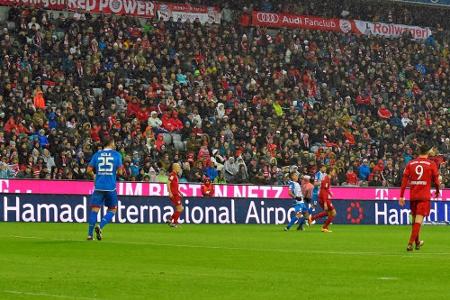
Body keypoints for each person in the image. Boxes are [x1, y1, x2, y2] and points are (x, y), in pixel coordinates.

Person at [399, 145, 440, 251]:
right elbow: (436, 180)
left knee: (414, 221)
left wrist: (401, 196)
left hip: (413, 195)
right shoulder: (431, 164)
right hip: (424, 196)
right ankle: (410, 243)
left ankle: (417, 242)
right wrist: (437, 190)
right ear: (427, 152)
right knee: (418, 221)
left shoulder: (411, 163)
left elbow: (404, 181)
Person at [86, 138, 123, 241]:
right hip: (111, 187)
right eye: (114, 142)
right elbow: (120, 172)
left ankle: (89, 235)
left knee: (94, 210)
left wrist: (94, 176)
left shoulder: (97, 154)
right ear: (111, 143)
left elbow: (88, 170)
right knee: (112, 209)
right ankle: (101, 226)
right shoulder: (116, 155)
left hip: (99, 186)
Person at [310, 167, 337, 233]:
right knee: (333, 213)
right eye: (333, 171)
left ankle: (312, 218)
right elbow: (323, 191)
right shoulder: (326, 179)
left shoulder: (328, 178)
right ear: (330, 172)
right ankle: (324, 227)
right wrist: (325, 202)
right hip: (324, 198)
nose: (334, 173)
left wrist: (330, 193)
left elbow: (326, 189)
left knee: (328, 213)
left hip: (324, 197)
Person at [166, 163, 183, 228]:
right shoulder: (172, 175)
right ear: (174, 168)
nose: (179, 168)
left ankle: (171, 220)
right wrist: (170, 192)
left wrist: (179, 192)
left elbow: (174, 186)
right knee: (180, 208)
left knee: (180, 208)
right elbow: (168, 183)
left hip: (176, 193)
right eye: (178, 167)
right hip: (174, 194)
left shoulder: (175, 175)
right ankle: (174, 222)